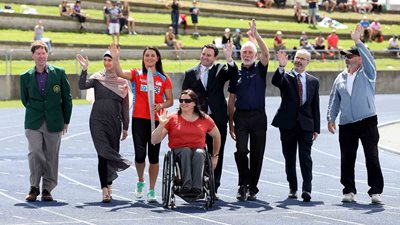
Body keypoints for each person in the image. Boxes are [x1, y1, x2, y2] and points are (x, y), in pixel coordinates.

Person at [327, 24, 384, 204]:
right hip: (347, 124)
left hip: (367, 121)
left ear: (359, 59)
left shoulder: (368, 73)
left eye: (350, 56)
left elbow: (371, 61)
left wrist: (358, 42)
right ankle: (348, 190)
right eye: (346, 57)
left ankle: (375, 191)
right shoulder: (340, 77)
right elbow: (334, 99)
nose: (346, 59)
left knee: (371, 156)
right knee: (347, 158)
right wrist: (331, 117)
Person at [109, 43, 173, 203]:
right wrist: (116, 58)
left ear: (157, 58)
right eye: (147, 55)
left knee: (153, 156)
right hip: (139, 119)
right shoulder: (136, 74)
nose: (149, 58)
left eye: (152, 55)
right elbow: (119, 72)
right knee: (139, 155)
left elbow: (170, 100)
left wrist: (161, 105)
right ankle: (140, 181)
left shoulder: (163, 78)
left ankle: (151, 190)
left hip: (157, 121)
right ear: (143, 58)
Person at [76, 51, 132, 203]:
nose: (107, 63)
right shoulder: (97, 78)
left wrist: (125, 127)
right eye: (105, 60)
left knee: (111, 153)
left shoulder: (122, 82)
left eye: (110, 60)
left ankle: (110, 185)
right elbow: (82, 85)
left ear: (116, 62)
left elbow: (125, 108)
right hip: (97, 121)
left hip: (114, 123)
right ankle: (104, 190)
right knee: (102, 153)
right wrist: (84, 69)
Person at [20, 40, 73, 202]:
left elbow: (67, 98)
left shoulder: (59, 73)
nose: (41, 56)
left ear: (47, 54)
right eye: (38, 53)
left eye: (43, 53)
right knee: (35, 152)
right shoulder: (25, 77)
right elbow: (25, 99)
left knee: (51, 155)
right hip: (33, 121)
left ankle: (47, 189)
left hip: (55, 120)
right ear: (33, 56)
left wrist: (66, 120)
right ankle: (34, 187)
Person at [182, 43, 232, 198]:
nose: (205, 57)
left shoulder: (220, 70)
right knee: (197, 153)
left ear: (215, 58)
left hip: (218, 118)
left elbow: (233, 73)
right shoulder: (190, 73)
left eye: (209, 55)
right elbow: (184, 96)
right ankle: (197, 186)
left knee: (217, 153)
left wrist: (229, 57)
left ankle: (213, 187)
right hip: (197, 120)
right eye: (203, 54)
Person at [227, 19, 269, 201]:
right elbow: (231, 99)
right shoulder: (235, 72)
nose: (246, 54)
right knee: (241, 151)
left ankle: (252, 186)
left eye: (250, 52)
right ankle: (242, 183)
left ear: (255, 54)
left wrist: (256, 35)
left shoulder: (260, 69)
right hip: (241, 117)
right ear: (240, 54)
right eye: (244, 51)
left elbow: (266, 53)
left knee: (257, 153)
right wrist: (230, 122)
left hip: (259, 116)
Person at [272, 49, 320, 202]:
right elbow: (275, 81)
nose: (299, 61)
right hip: (287, 124)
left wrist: (316, 128)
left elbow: (315, 106)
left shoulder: (313, 81)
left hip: (306, 125)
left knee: (306, 158)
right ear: (293, 60)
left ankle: (307, 189)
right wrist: (281, 66)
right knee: (289, 158)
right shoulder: (285, 77)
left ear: (308, 62)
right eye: (297, 58)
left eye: (303, 59)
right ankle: (293, 187)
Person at [151, 90, 221, 195]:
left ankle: (197, 187)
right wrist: (161, 125)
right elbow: (154, 141)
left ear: (194, 103)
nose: (183, 103)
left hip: (198, 149)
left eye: (187, 101)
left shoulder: (204, 119)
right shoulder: (172, 118)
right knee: (185, 151)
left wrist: (215, 156)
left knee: (199, 153)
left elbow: (217, 136)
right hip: (179, 150)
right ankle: (186, 185)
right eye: (181, 100)